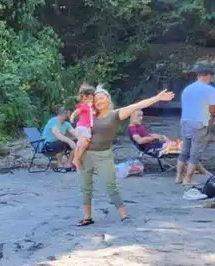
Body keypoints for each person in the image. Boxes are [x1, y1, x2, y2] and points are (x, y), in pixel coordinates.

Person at [77, 87, 175, 227]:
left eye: (102, 98)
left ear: (108, 99)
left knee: (111, 185)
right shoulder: (90, 115)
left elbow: (137, 105)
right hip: (87, 154)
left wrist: (157, 98)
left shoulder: (115, 114)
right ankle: (87, 217)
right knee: (86, 187)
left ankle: (124, 215)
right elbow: (80, 129)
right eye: (96, 99)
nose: (99, 101)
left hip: (104, 155)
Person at [177, 62, 215, 185]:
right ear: (208, 75)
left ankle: (178, 177)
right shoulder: (209, 90)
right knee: (195, 153)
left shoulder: (187, 89)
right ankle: (188, 179)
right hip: (199, 123)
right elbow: (213, 109)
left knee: (184, 150)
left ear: (198, 75)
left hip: (185, 122)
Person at [71, 84, 96, 171]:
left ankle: (76, 159)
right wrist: (72, 116)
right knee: (85, 143)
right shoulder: (85, 106)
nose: (90, 100)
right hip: (82, 127)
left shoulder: (91, 107)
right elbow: (77, 111)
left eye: (92, 98)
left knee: (81, 144)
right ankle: (76, 159)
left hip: (87, 128)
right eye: (88, 98)